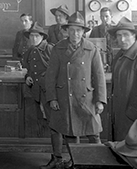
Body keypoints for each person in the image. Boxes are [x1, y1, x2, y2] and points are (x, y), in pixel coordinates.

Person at [44, 11, 107, 169]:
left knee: (94, 133)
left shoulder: (91, 48)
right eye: (71, 30)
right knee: (71, 132)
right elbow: (50, 76)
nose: (75, 33)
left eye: (78, 30)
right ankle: (76, 163)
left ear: (84, 32)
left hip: (86, 98)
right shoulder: (58, 48)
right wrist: (52, 98)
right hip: (65, 96)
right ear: (67, 31)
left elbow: (99, 76)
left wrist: (100, 100)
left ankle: (97, 163)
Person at [108, 17, 137, 141]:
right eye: (119, 35)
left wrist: (132, 112)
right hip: (119, 114)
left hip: (132, 117)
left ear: (134, 35)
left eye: (126, 35)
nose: (122, 39)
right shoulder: (119, 55)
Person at [23, 22, 53, 121]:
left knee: (52, 121)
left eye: (36, 36)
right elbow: (29, 68)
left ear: (42, 37)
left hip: (49, 91)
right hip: (36, 91)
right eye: (31, 36)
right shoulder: (31, 50)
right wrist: (27, 77)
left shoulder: (50, 49)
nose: (33, 39)